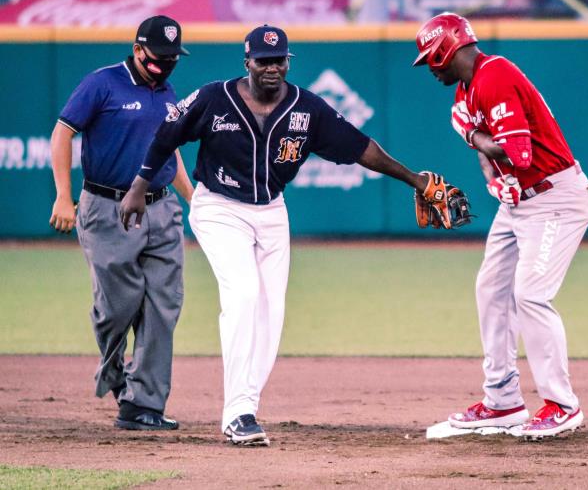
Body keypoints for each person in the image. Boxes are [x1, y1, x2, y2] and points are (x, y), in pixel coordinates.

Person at [119, 24, 462, 446]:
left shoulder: (307, 109)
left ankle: (246, 405)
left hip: (272, 213)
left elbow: (360, 147)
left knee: (271, 313)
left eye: (279, 60)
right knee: (243, 295)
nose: (272, 68)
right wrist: (139, 184)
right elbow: (167, 133)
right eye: (263, 61)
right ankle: (238, 412)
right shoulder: (214, 98)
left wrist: (414, 179)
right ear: (247, 62)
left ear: (287, 61)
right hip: (219, 208)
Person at [412, 13, 588, 439]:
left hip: (554, 199)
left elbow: (516, 155)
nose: (430, 66)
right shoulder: (463, 93)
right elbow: (490, 156)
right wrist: (489, 173)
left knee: (531, 295)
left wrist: (475, 140)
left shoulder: (494, 75)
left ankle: (562, 405)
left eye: (432, 56)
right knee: (492, 290)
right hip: (519, 202)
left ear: (448, 48)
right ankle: (503, 402)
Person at [49, 15, 195, 431]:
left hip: (162, 209)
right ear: (137, 50)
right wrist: (64, 195)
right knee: (118, 306)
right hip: (107, 206)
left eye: (172, 58)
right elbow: (63, 133)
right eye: (159, 56)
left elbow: (171, 152)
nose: (165, 64)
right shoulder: (102, 83)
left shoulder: (168, 95)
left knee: (164, 305)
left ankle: (143, 404)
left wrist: (195, 201)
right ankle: (115, 373)